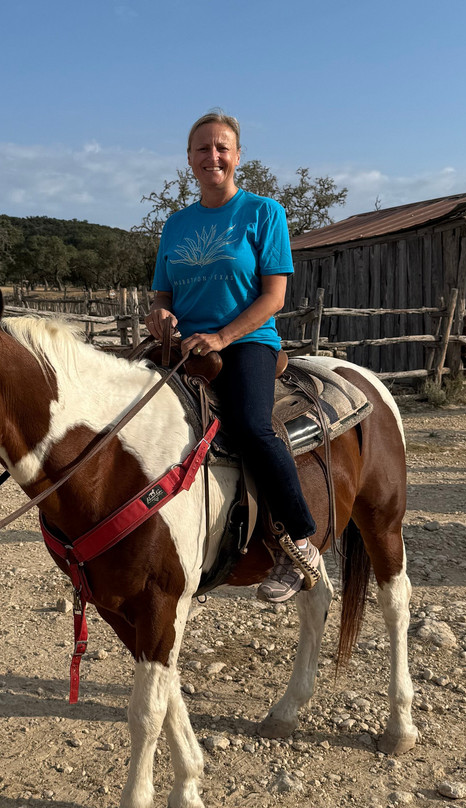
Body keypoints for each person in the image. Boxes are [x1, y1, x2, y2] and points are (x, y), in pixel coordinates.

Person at [144, 110, 319, 603]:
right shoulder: (176, 224)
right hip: (185, 346)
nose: (213, 156)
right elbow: (163, 295)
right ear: (189, 159)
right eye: (203, 148)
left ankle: (299, 539)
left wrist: (223, 337)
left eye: (222, 147)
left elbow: (274, 297)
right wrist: (160, 315)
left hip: (246, 341)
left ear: (238, 157)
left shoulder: (264, 212)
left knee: (249, 425)